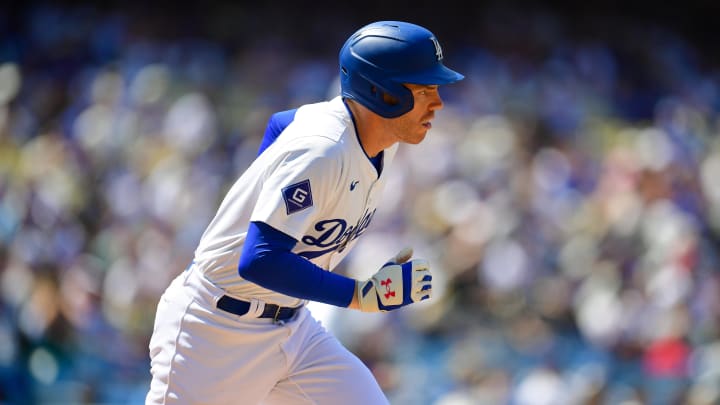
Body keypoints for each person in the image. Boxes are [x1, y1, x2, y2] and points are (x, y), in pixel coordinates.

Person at [146, 20, 464, 404]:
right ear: (385, 93)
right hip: (214, 332)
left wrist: (264, 187)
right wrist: (360, 294)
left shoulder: (378, 137)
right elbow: (259, 259)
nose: (438, 102)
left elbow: (280, 122)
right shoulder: (324, 149)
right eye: (425, 88)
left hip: (294, 329)